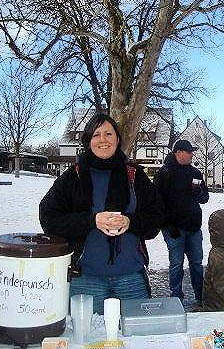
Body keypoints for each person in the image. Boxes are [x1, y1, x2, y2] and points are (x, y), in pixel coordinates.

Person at [39, 114, 163, 314]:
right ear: (88, 141)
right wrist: (91, 220)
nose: (103, 139)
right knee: (88, 340)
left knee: (136, 339)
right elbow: (49, 219)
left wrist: (130, 222)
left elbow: (156, 217)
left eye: (108, 133)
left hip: (131, 278)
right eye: (96, 134)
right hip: (86, 279)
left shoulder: (134, 175)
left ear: (117, 139)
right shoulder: (73, 177)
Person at [154, 139, 209, 305]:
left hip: (193, 228)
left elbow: (205, 199)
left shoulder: (196, 174)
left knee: (197, 264)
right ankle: (176, 297)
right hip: (173, 229)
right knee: (176, 264)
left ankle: (200, 297)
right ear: (178, 152)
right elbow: (157, 203)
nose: (192, 154)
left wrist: (199, 192)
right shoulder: (164, 173)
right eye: (189, 151)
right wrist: (168, 226)